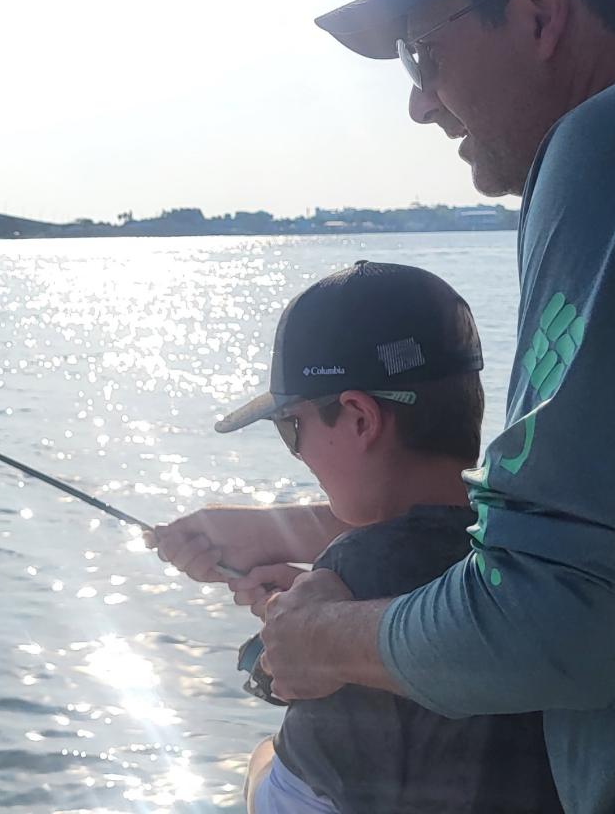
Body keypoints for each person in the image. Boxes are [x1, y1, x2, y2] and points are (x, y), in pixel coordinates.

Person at [154, 0, 615, 811]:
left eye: (424, 53)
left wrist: (322, 642)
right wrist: (310, 545)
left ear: (538, 8)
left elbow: (560, 618)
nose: (420, 103)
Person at [212, 261, 561, 813]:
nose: (297, 451)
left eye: (291, 426)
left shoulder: (352, 577)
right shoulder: (550, 548)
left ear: (358, 417)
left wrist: (263, 756)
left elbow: (288, 802)